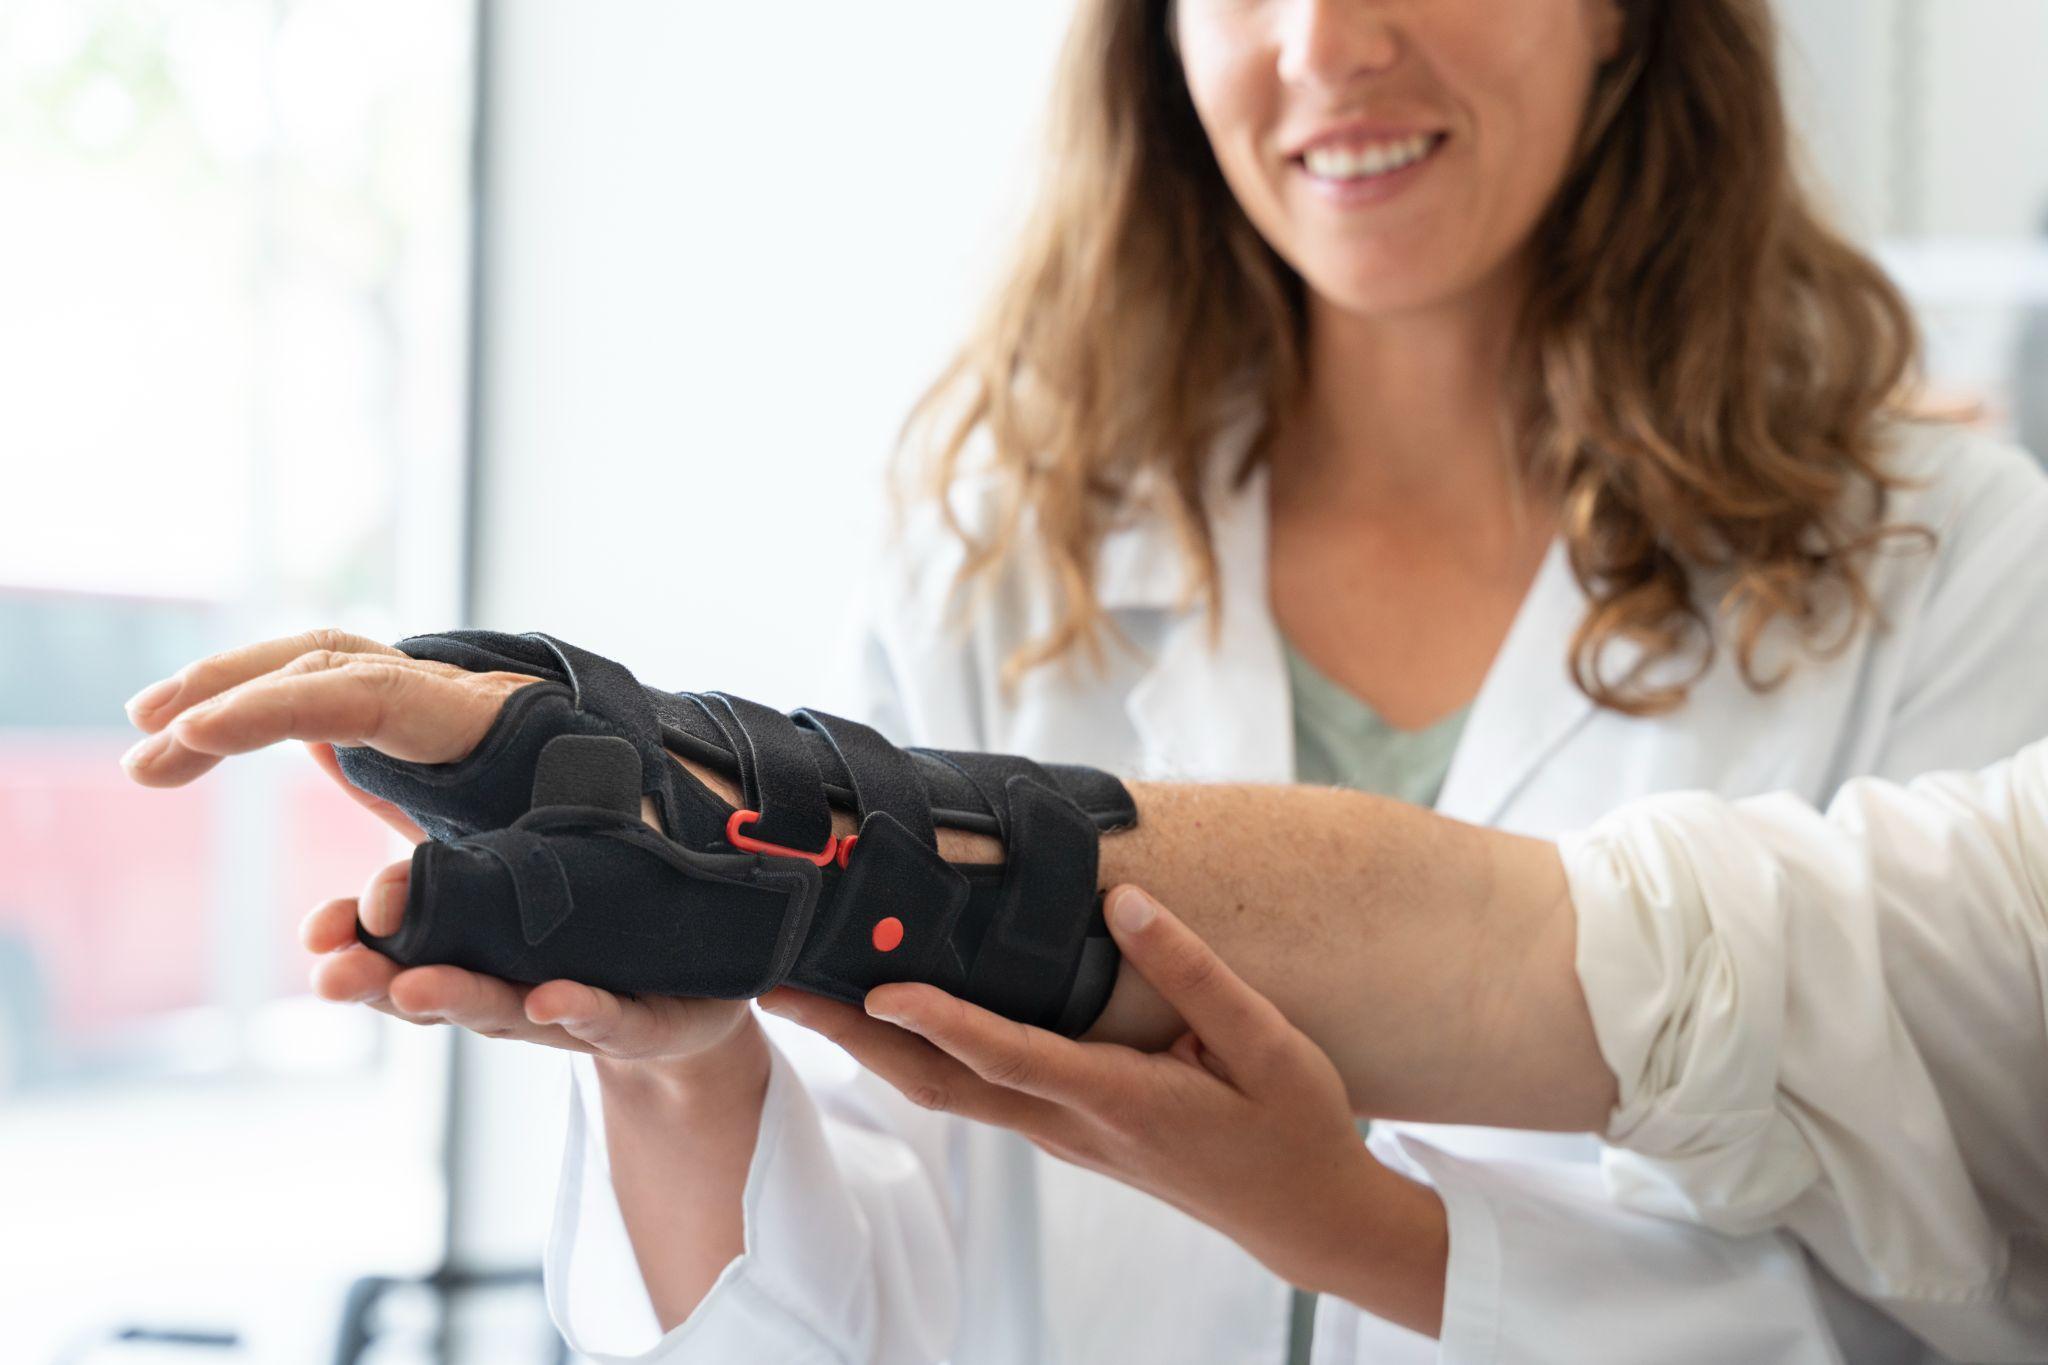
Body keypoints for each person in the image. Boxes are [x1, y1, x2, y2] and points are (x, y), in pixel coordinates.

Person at [119, 0, 2048, 1359]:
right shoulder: (1006, 546)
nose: (1326, 42)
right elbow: (839, 1306)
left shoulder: (1946, 560)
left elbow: (1967, 1276)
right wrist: (683, 1058)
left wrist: (1375, 1235)